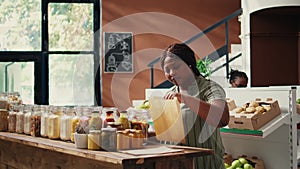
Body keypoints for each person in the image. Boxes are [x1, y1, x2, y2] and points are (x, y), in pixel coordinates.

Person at [160, 43, 229, 169]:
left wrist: (186, 99)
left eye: (176, 67)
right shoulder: (170, 93)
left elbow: (222, 119)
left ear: (189, 64)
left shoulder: (210, 88)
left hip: (206, 165)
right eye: (167, 70)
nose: (171, 73)